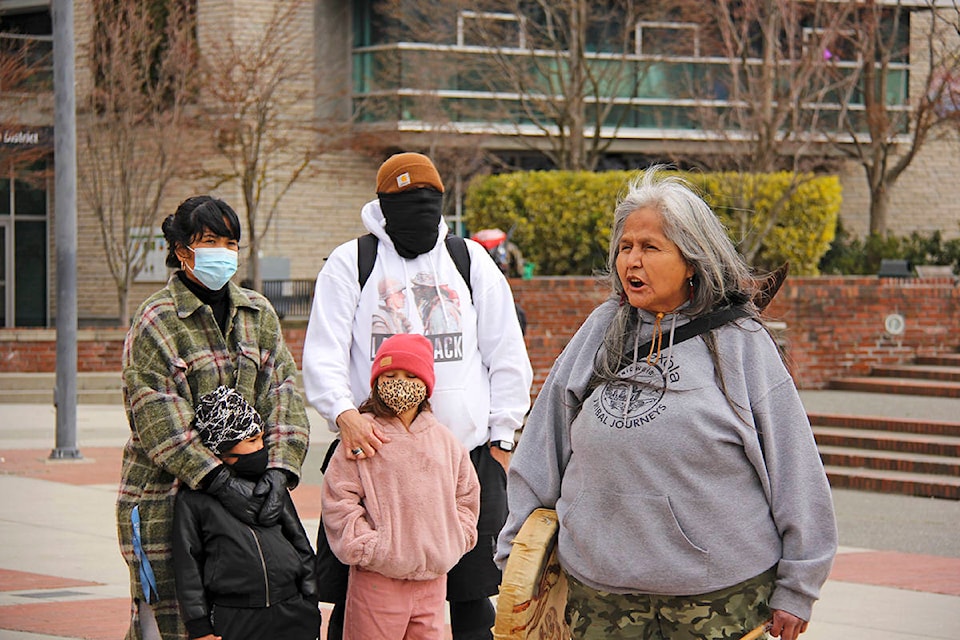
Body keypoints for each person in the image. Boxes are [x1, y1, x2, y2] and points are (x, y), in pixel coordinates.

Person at [494, 167, 837, 640]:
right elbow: (542, 445)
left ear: (692, 259)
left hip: (717, 598)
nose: (632, 261)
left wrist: (799, 586)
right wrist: (518, 557)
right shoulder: (600, 330)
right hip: (600, 593)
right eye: (625, 247)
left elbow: (795, 468)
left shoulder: (740, 342)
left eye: (650, 248)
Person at [302, 152, 533, 640]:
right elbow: (322, 353)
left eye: (428, 201)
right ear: (383, 205)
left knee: (472, 604)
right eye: (406, 202)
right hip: (375, 461)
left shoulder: (471, 262)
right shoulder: (352, 262)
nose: (419, 211)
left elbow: (507, 353)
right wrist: (343, 414)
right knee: (358, 606)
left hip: (462, 462)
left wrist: (502, 440)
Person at [117, 195, 311, 640]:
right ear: (183, 249)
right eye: (210, 240)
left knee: (246, 616)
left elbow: (283, 393)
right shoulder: (157, 319)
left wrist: (279, 473)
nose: (222, 252)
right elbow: (157, 418)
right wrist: (217, 480)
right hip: (167, 499)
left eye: (230, 242)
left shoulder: (257, 313)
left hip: (253, 492)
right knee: (174, 624)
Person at [321, 333, 481, 639]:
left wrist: (455, 539)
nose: (400, 383)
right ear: (377, 381)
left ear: (426, 383)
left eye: (410, 375)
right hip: (378, 580)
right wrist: (370, 547)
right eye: (390, 375)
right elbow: (339, 499)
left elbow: (467, 496)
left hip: (433, 581)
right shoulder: (363, 436)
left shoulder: (445, 441)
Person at [173, 387, 320, 640]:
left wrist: (309, 599)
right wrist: (199, 627)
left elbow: (300, 543)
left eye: (262, 438)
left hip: (292, 609)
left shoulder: (271, 484)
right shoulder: (193, 500)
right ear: (223, 449)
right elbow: (187, 567)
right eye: (251, 441)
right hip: (234, 617)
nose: (261, 447)